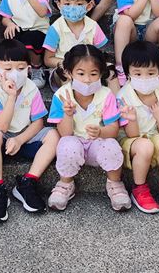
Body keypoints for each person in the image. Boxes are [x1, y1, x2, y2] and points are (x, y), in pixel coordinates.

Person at [0, 40, 59, 222]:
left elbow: (38, 122)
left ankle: (28, 182)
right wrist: (11, 96)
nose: (15, 73)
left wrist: (20, 139)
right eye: (8, 69)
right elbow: (2, 126)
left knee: (53, 135)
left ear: (28, 69)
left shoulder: (31, 88)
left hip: (24, 136)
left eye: (21, 68)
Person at [46, 45, 131, 212]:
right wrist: (68, 115)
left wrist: (101, 132)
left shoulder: (106, 95)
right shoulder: (61, 96)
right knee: (66, 144)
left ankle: (115, 184)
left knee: (112, 146)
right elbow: (65, 133)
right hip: (73, 143)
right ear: (69, 73)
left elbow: (114, 130)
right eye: (81, 73)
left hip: (97, 144)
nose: (87, 80)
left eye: (93, 74)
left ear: (101, 74)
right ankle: (65, 183)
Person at [116, 41, 159, 213]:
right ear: (128, 73)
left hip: (155, 134)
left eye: (151, 73)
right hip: (131, 140)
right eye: (138, 73)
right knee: (145, 146)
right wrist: (132, 119)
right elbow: (131, 134)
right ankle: (139, 188)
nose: (144, 78)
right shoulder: (123, 97)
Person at [42, 0, 108, 91]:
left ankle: (114, 100)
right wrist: (70, 64)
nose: (72, 7)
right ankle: (69, 100)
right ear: (59, 4)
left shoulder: (93, 26)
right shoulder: (56, 28)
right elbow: (48, 59)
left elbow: (100, 53)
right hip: (63, 67)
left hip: (87, 69)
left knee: (111, 73)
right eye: (67, 4)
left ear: (89, 6)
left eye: (79, 4)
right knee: (67, 75)